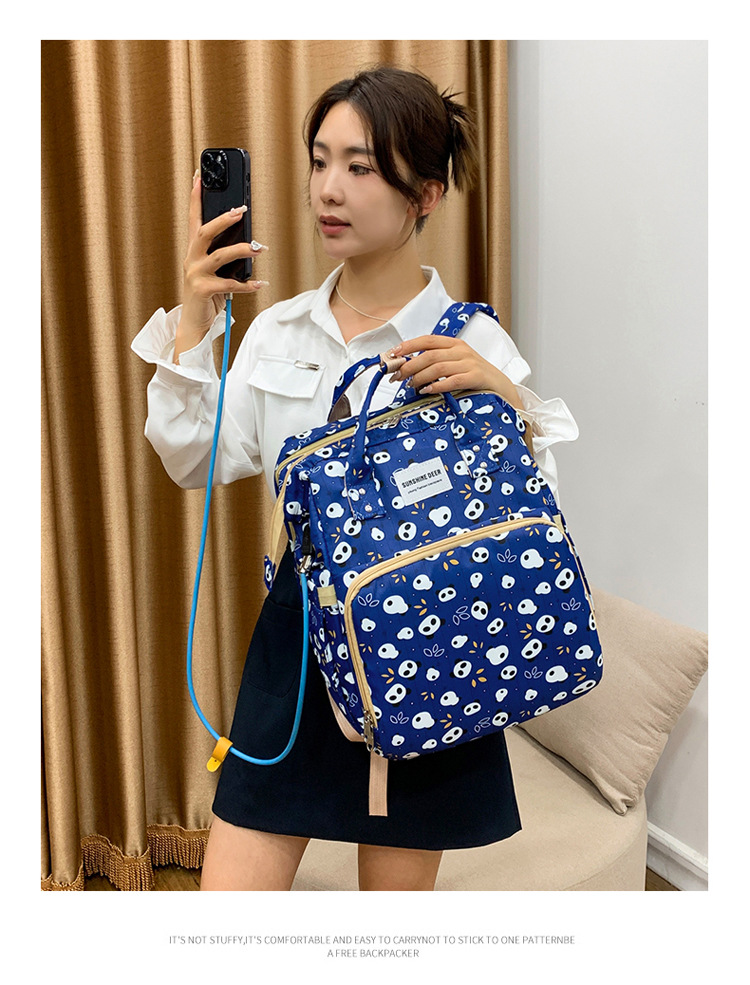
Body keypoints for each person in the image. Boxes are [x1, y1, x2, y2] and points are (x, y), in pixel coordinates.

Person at [132, 65, 578, 891]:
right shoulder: (276, 332)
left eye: (360, 166)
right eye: (319, 161)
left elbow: (533, 511)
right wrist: (196, 313)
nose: (328, 189)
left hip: (435, 636)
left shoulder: (472, 340)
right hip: (300, 637)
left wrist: (507, 397)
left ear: (426, 194)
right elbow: (191, 457)